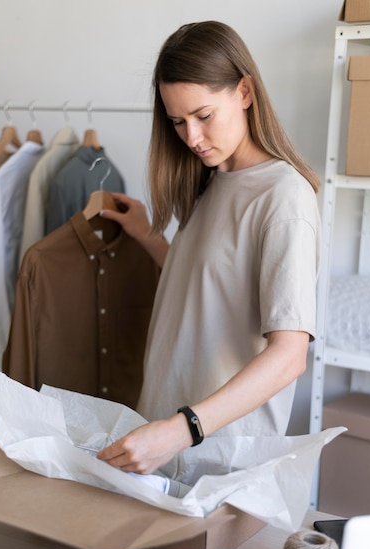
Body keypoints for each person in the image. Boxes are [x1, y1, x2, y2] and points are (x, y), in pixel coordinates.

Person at [96, 20, 321, 482]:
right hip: (164, 446)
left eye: (202, 116)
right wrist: (147, 236)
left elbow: (289, 354)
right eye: (178, 122)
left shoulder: (283, 198)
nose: (192, 137)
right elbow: (208, 287)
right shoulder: (213, 180)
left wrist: (183, 429)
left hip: (217, 462)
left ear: (244, 91)